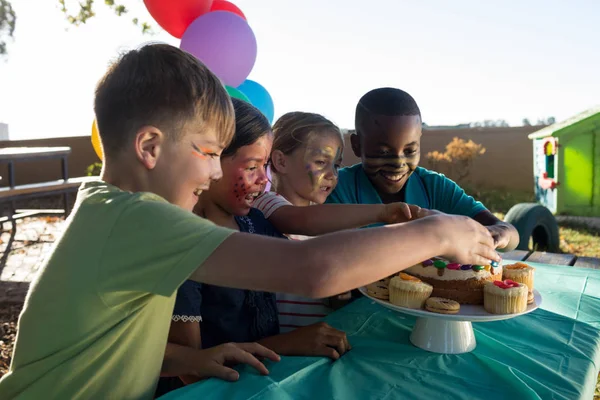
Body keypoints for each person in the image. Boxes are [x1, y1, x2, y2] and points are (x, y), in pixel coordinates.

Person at [0, 45, 498, 399]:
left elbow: (105, 339)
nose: (217, 171)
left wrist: (182, 359)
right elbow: (312, 269)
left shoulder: (107, 210)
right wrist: (437, 231)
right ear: (150, 147)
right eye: (210, 152)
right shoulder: (136, 218)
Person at [157, 100, 349, 395]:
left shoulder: (255, 223)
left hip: (263, 381)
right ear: (211, 161)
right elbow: (192, 371)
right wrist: (288, 342)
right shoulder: (183, 244)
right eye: (252, 167)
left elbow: (303, 268)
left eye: (265, 166)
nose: (263, 179)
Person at [326, 87, 519, 251]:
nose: (398, 163)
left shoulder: (433, 186)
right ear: (357, 145)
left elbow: (509, 233)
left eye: (410, 150)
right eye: (384, 152)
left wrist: (497, 234)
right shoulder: (337, 188)